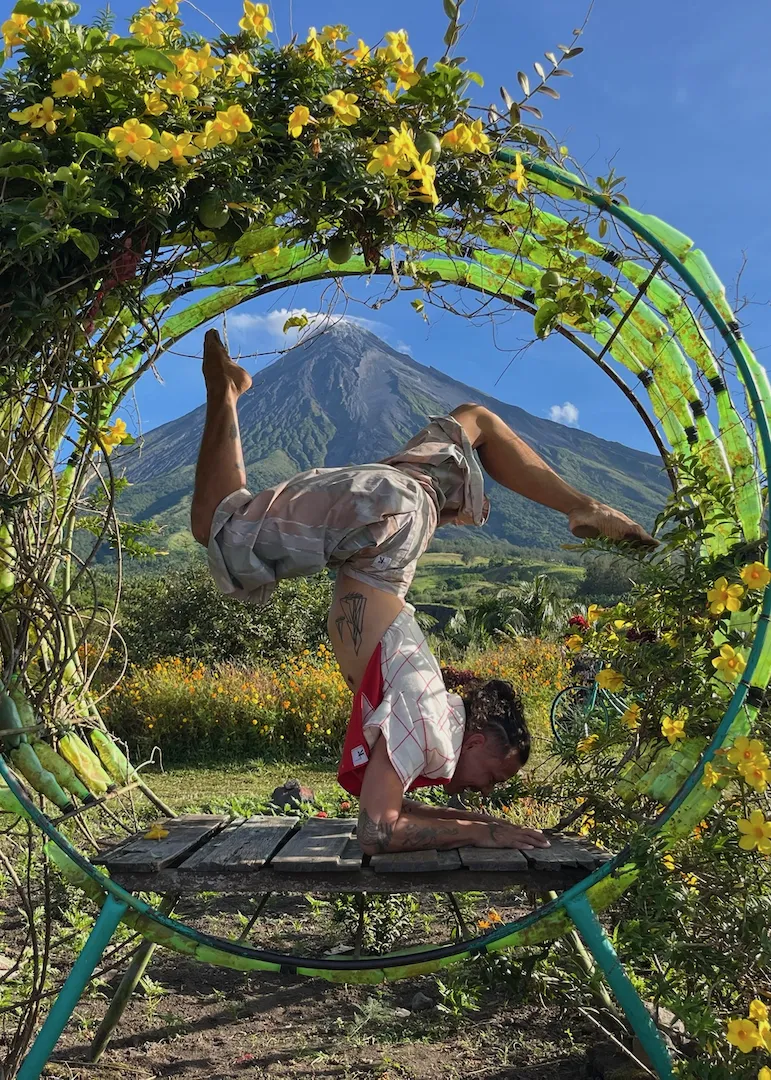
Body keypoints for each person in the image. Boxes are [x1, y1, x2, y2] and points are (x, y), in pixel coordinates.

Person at [191, 329, 656, 855]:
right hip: (383, 518)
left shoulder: (429, 708)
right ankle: (224, 392)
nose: (485, 793)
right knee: (219, 530)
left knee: (474, 420)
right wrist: (487, 832)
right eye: (493, 778)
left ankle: (583, 505)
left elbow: (392, 808)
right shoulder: (425, 715)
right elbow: (377, 833)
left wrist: (468, 822)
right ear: (476, 741)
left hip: (406, 506)